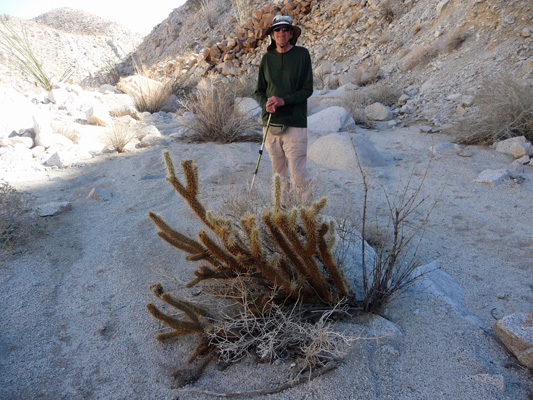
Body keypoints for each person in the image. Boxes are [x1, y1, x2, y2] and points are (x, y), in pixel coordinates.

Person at [255, 15, 313, 202]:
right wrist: (266, 103)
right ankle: (283, 218)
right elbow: (259, 91)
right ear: (272, 34)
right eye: (277, 29)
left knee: (299, 174)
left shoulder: (302, 55)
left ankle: (306, 217)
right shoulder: (266, 59)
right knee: (278, 175)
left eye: (285, 29)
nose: (281, 32)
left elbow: (307, 90)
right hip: (271, 124)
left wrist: (283, 101)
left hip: (295, 123)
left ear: (291, 33)